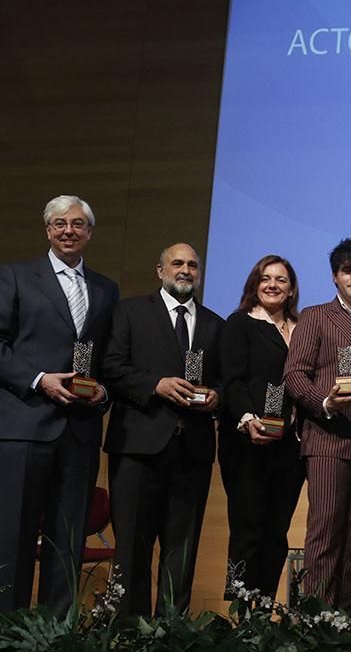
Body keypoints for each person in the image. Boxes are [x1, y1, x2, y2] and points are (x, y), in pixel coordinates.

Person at [0, 195, 119, 614]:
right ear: (47, 230)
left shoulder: (106, 288)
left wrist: (104, 392)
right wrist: (38, 380)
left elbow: (107, 357)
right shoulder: (15, 277)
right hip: (25, 426)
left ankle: (57, 633)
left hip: (80, 431)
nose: (68, 230)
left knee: (67, 540)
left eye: (77, 224)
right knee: (12, 537)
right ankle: (9, 631)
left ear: (89, 231)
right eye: (59, 224)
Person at [102, 242, 224, 616]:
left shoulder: (215, 324)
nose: (185, 270)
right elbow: (111, 367)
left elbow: (222, 381)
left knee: (182, 550)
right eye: (177, 263)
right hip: (138, 448)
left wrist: (217, 396)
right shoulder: (130, 313)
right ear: (160, 270)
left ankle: (172, 632)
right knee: (131, 550)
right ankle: (129, 632)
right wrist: (155, 384)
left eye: (192, 265)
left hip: (192, 451)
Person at [283, 238, 351, 609]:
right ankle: (316, 621)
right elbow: (295, 375)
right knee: (325, 535)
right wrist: (326, 402)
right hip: (328, 440)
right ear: (335, 276)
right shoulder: (316, 316)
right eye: (347, 270)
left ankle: (346, 620)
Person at [219, 255, 304, 603]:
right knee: (247, 530)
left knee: (276, 532)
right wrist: (247, 419)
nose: (272, 285)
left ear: (292, 288)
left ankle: (264, 609)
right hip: (247, 442)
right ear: (254, 284)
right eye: (265, 278)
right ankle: (239, 609)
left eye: (281, 279)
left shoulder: (302, 327)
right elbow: (232, 380)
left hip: (290, 446)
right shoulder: (239, 324)